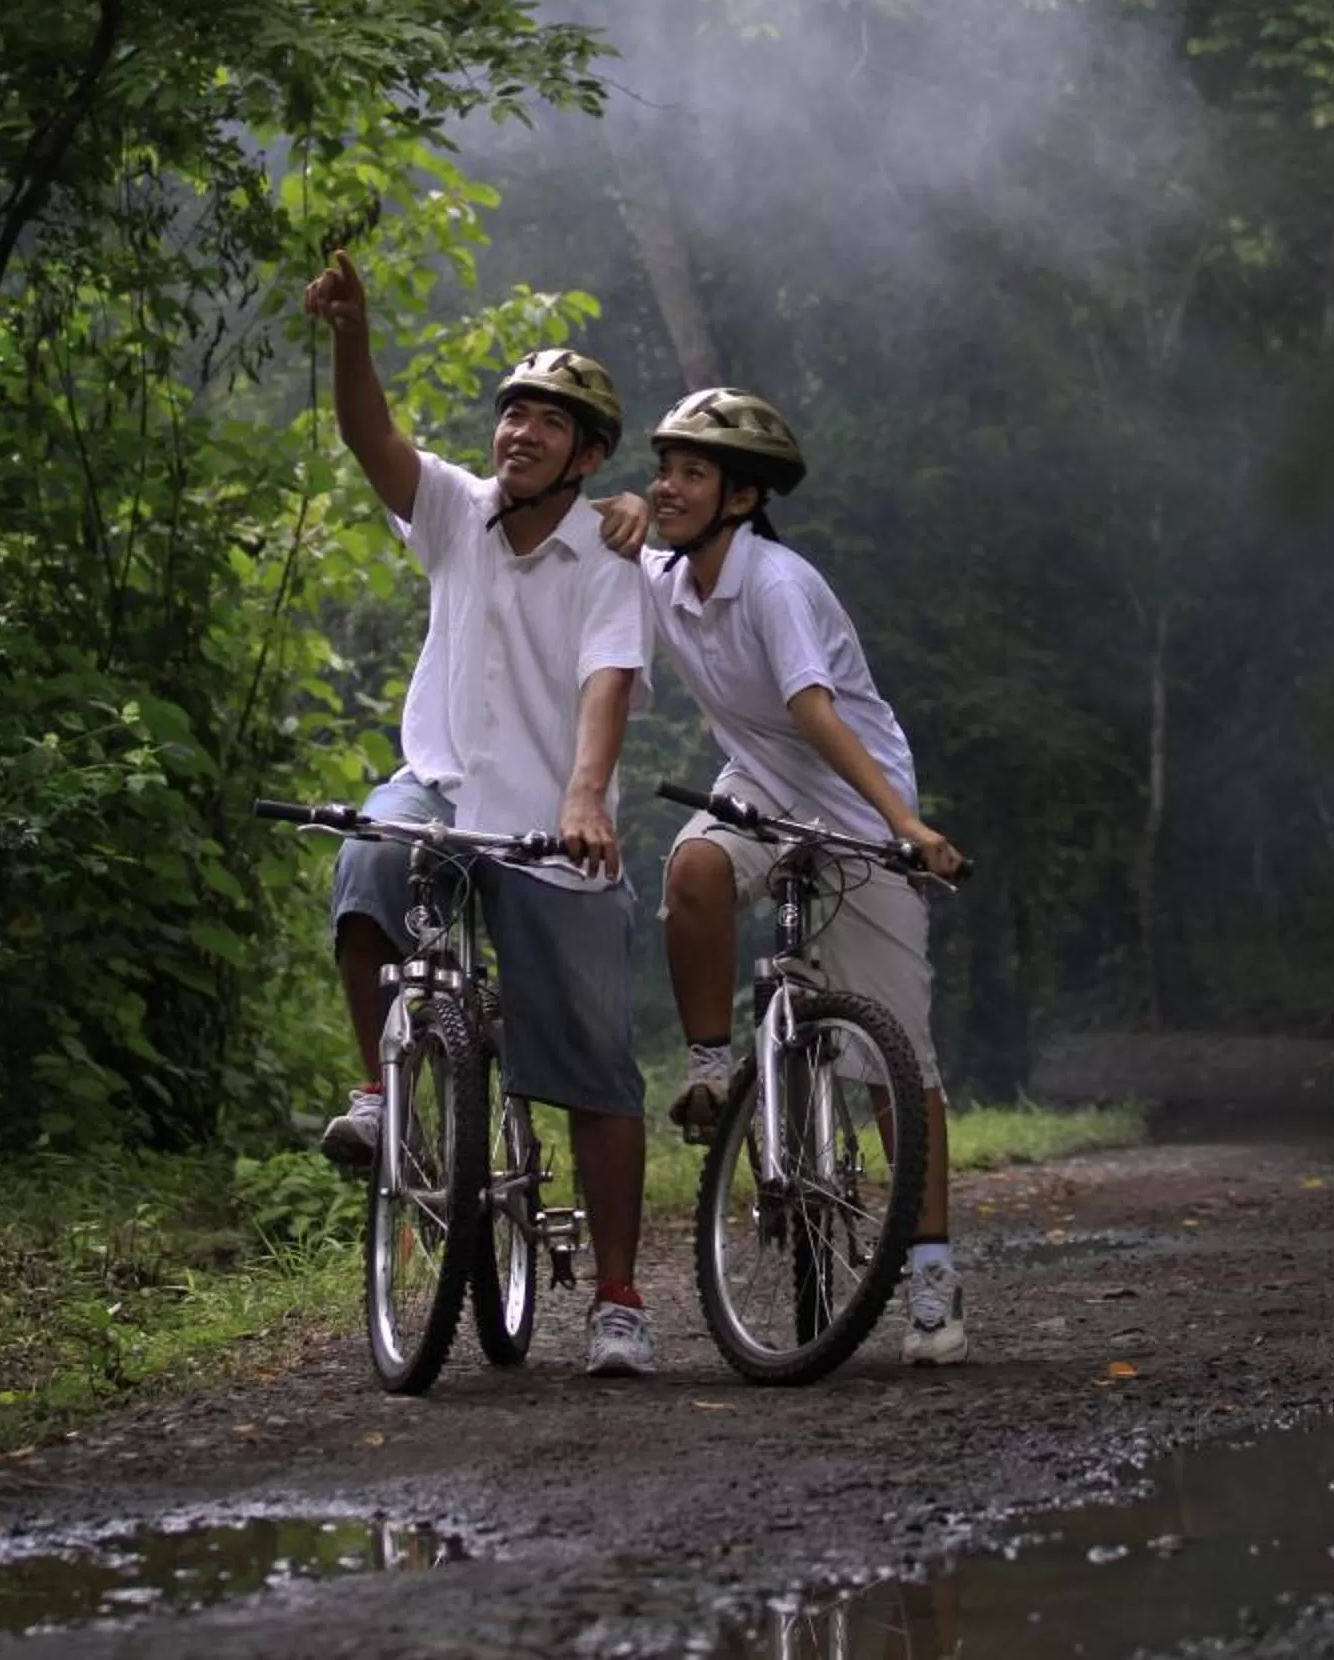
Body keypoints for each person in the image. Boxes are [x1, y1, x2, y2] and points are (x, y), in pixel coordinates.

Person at [301, 249, 658, 1378]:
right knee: (366, 853)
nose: (518, 433)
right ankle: (376, 1091)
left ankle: (615, 1298)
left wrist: (585, 797)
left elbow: (609, 681)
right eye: (511, 414)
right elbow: (373, 442)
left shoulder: (608, 558)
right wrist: (351, 338)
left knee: (596, 1074)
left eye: (547, 423)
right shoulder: (455, 512)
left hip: (553, 832)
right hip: (443, 793)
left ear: (588, 456)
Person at [603, 386, 971, 1368]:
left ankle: (929, 1271)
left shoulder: (773, 581)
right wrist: (618, 517)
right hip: (758, 788)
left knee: (900, 1061)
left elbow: (810, 706)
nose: (668, 486)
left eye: (692, 472)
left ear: (740, 496)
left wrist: (904, 827)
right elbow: (577, 536)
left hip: (857, 809)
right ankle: (715, 1069)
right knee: (690, 866)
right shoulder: (664, 578)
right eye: (663, 468)